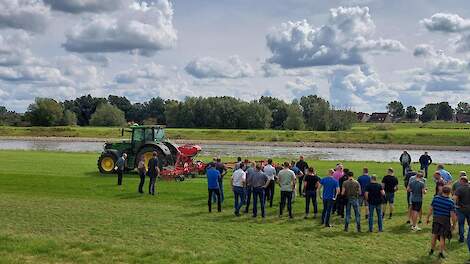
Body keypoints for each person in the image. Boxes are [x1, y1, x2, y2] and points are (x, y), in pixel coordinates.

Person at [426, 186, 457, 259]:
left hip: (436, 219)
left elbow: (431, 209)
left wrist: (427, 218)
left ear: (442, 191)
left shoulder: (436, 198)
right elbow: (453, 215)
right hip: (445, 221)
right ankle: (440, 252)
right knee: (442, 237)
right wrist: (454, 225)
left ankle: (432, 250)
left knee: (434, 235)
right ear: (449, 193)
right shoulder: (450, 202)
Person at [453, 176, 470, 248]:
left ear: (462, 181)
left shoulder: (459, 189)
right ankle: (469, 238)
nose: (459, 182)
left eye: (460, 181)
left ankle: (462, 238)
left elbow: (454, 198)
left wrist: (456, 204)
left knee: (461, 224)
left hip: (461, 209)